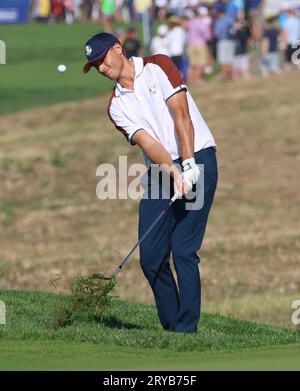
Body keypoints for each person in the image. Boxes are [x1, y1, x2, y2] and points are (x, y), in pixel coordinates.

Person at [83, 32, 218, 333]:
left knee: (183, 249)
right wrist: (173, 171)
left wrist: (188, 164)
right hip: (162, 171)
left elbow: (181, 115)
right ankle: (172, 331)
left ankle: (187, 331)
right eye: (95, 67)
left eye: (102, 60)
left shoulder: (158, 66)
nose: (101, 69)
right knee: (152, 258)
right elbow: (149, 143)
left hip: (198, 155)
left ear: (118, 49)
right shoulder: (116, 107)